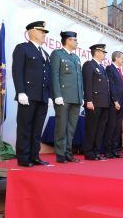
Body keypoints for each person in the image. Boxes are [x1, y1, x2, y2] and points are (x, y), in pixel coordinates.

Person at [12, 21, 51, 167]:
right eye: (42, 31)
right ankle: (23, 158)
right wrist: (21, 92)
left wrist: (50, 95)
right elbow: (17, 71)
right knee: (25, 127)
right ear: (32, 32)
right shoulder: (23, 48)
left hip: (42, 96)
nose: (44, 34)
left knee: (37, 129)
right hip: (28, 96)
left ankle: (35, 156)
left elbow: (48, 76)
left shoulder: (45, 53)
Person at [50, 31, 83, 163]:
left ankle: (68, 152)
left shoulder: (76, 58)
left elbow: (79, 79)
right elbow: (55, 75)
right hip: (63, 97)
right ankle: (60, 153)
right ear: (67, 41)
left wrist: (82, 96)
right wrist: (57, 95)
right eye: (74, 40)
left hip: (75, 98)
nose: (76, 42)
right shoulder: (57, 54)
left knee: (71, 128)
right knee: (61, 126)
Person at [82, 44, 110, 160]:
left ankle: (96, 151)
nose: (104, 54)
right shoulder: (89, 65)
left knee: (100, 129)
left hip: (104, 103)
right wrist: (88, 100)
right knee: (92, 128)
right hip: (94, 102)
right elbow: (87, 84)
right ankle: (89, 152)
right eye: (103, 52)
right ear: (97, 52)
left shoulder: (102, 68)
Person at [103, 51, 123, 158]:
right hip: (113, 104)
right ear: (116, 58)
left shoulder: (119, 71)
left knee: (118, 128)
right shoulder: (110, 68)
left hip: (121, 105)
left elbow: (122, 89)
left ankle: (115, 150)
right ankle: (108, 151)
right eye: (122, 58)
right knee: (111, 127)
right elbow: (111, 85)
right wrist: (115, 101)